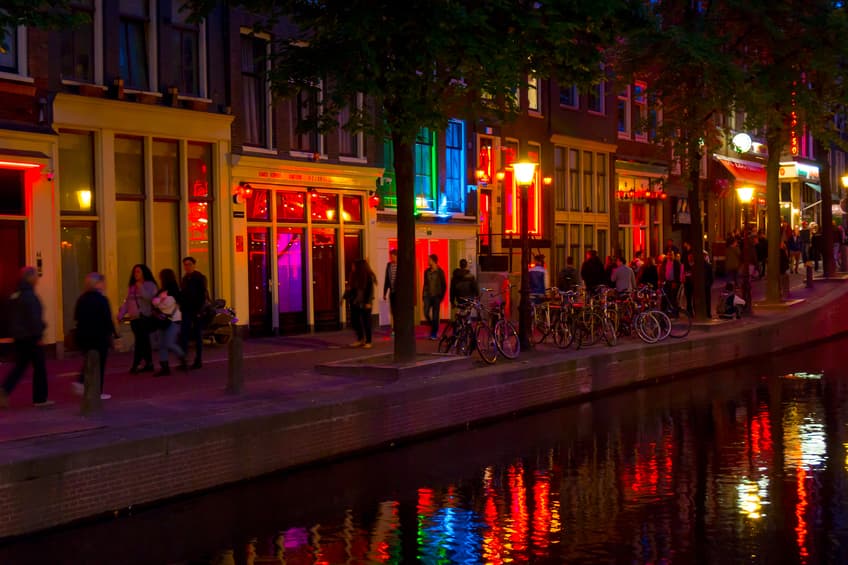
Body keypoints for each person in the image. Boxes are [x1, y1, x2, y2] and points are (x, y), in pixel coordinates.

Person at [0, 267, 51, 408]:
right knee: (39, 367)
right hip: (31, 337)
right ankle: (40, 399)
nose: (37, 279)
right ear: (31, 278)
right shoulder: (30, 296)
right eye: (36, 276)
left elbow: (10, 316)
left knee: (20, 366)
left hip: (20, 337)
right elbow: (34, 318)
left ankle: (5, 389)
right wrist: (39, 334)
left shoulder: (16, 295)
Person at [71, 273, 116, 400]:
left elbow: (76, 317)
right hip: (99, 336)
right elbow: (107, 319)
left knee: (90, 360)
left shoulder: (82, 299)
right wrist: (114, 335)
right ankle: (96, 391)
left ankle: (81, 381)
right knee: (99, 364)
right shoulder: (102, 299)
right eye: (103, 282)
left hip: (84, 335)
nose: (105, 284)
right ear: (97, 283)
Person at [117, 264, 158, 374]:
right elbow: (128, 302)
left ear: (144, 272)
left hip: (144, 317)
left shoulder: (150, 285)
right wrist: (121, 314)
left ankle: (137, 364)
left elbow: (150, 298)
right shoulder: (132, 287)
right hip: (134, 318)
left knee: (141, 341)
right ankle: (148, 363)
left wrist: (141, 287)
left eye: (138, 271)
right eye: (135, 272)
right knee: (142, 341)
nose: (136, 274)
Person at [152, 269, 187, 376]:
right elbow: (155, 303)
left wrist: (158, 302)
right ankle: (165, 366)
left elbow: (162, 304)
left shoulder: (173, 291)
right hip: (164, 319)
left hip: (173, 320)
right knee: (162, 344)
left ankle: (182, 357)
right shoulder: (164, 291)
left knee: (168, 343)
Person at [179, 256, 208, 370]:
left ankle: (198, 360)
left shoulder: (199, 278)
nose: (187, 267)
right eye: (185, 265)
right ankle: (184, 361)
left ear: (194, 265)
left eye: (189, 264)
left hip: (196, 311)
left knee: (197, 335)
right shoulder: (185, 278)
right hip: (186, 310)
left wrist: (199, 310)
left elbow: (202, 295)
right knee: (184, 335)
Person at [347, 259, 377, 349]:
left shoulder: (368, 277)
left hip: (365, 302)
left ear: (359, 267)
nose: (352, 268)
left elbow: (370, 290)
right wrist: (349, 296)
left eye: (354, 266)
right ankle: (360, 339)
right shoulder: (354, 276)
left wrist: (368, 302)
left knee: (366, 322)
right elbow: (351, 289)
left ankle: (368, 341)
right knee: (355, 321)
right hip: (355, 302)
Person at [422, 254, 446, 340]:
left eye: (429, 260)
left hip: (436, 296)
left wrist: (441, 296)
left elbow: (444, 285)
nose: (428, 261)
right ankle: (433, 326)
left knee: (435, 316)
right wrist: (423, 295)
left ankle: (434, 333)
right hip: (427, 296)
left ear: (433, 261)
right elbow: (425, 284)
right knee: (426, 312)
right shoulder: (426, 271)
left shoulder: (440, 272)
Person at [382, 249, 398, 334]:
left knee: (398, 311)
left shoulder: (400, 265)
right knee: (393, 311)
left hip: (399, 293)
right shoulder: (389, 265)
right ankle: (394, 328)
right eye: (391, 256)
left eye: (393, 256)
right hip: (392, 291)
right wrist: (384, 293)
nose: (392, 258)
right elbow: (387, 280)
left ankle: (398, 328)